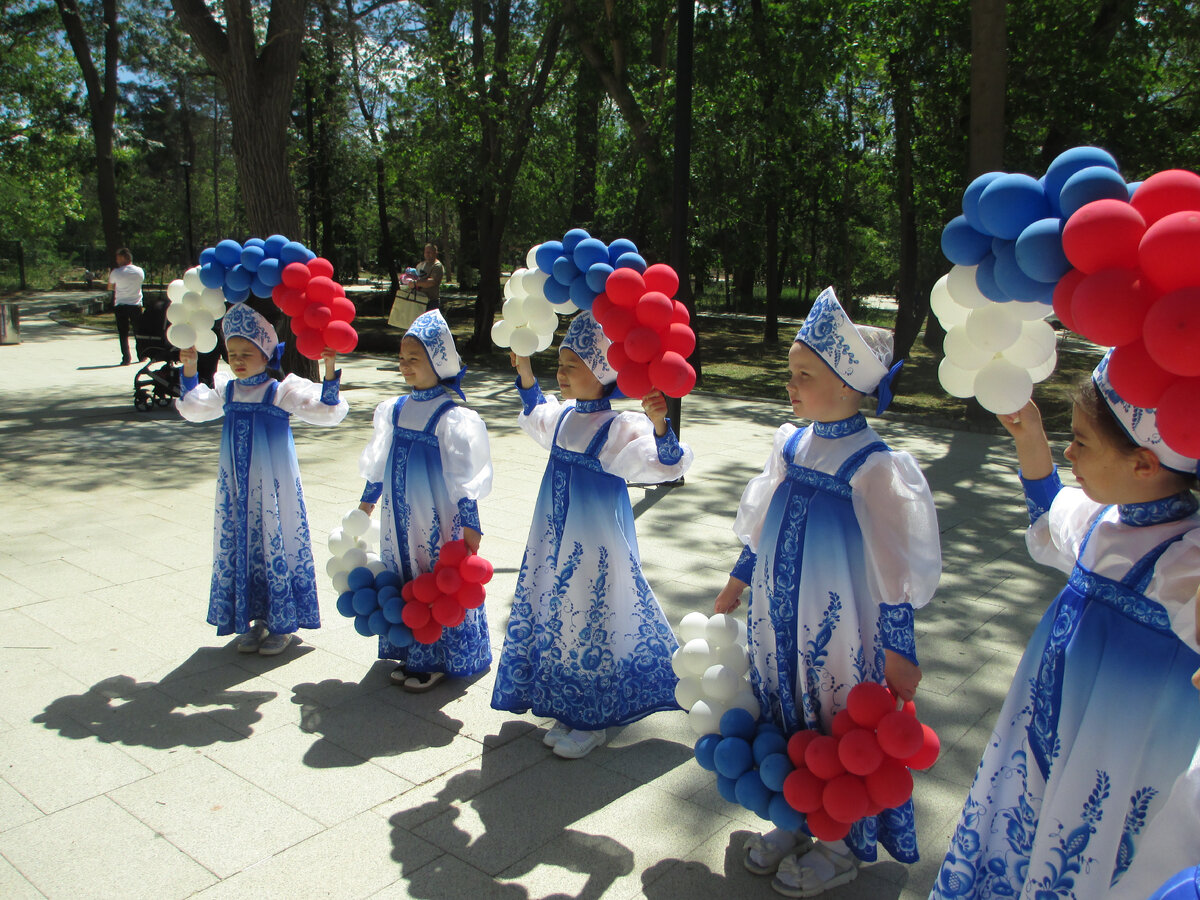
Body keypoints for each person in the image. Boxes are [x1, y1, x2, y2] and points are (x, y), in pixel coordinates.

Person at [930, 350, 1200, 900]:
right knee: (1022, 823)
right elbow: (1052, 515)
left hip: (1117, 747)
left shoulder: (1185, 559)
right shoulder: (1103, 514)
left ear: (1144, 464)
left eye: (1081, 442)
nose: (1069, 452)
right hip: (1044, 729)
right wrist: (1029, 437)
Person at [715, 287, 940, 897]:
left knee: (836, 717)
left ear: (847, 384)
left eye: (803, 375)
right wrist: (739, 578)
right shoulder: (790, 444)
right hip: (776, 619)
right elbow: (762, 524)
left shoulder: (873, 467)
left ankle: (840, 843)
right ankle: (792, 816)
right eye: (791, 373)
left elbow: (895, 570)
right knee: (784, 705)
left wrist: (900, 648)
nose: (790, 386)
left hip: (839, 630)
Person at [490, 311, 693, 759]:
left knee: (592, 611)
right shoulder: (564, 418)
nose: (560, 375)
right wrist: (524, 372)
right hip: (553, 535)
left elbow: (665, 464)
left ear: (601, 373)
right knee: (561, 609)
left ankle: (593, 717)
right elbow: (535, 414)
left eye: (571, 366)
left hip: (596, 544)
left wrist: (660, 425)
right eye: (559, 365)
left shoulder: (618, 427)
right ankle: (568, 706)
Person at [177, 303, 348, 655]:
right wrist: (190, 368)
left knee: (275, 539)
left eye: (247, 353)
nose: (238, 360)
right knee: (244, 542)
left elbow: (326, 411)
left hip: (273, 488)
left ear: (267, 353)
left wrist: (330, 371)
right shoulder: (228, 391)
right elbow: (195, 408)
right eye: (232, 353)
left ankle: (282, 624)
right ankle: (254, 620)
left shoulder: (280, 391)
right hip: (237, 488)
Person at [356, 310, 493, 692]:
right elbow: (379, 463)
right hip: (397, 514)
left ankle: (438, 657)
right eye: (402, 359)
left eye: (414, 359)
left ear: (437, 362)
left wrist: (470, 522)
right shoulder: (395, 409)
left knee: (434, 576)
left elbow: (464, 474)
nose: (405, 366)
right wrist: (366, 505)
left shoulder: (452, 417)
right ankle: (410, 651)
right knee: (402, 572)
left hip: (434, 514)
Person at [107, 247, 145, 365]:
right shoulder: (139, 271)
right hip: (135, 304)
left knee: (123, 333)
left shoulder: (116, 272)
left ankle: (126, 358)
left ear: (124, 258)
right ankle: (141, 355)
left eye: (118, 258)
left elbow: (110, 286)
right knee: (138, 331)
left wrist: (119, 287)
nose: (117, 261)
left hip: (121, 304)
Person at [414, 243, 444, 311]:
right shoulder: (420, 265)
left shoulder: (437, 266)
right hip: (418, 300)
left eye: (429, 252)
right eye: (426, 252)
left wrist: (415, 283)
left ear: (435, 253)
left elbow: (432, 282)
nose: (427, 254)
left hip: (431, 302)